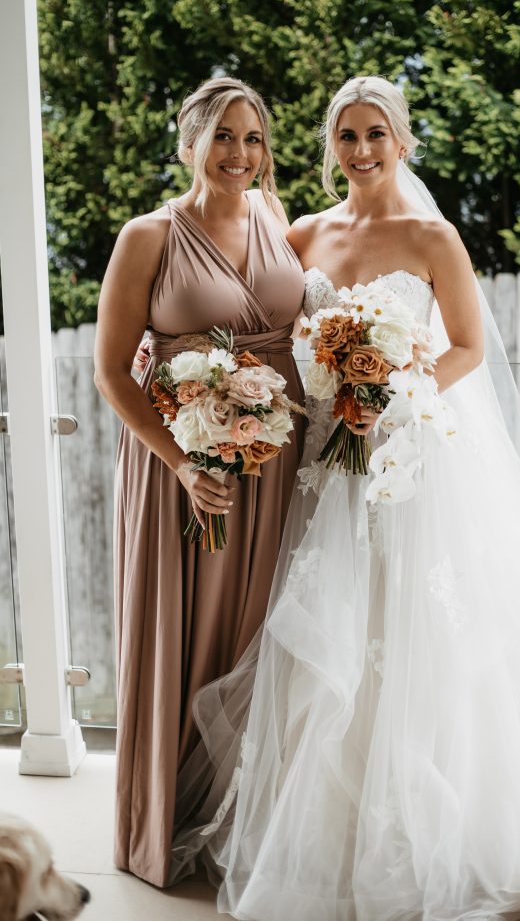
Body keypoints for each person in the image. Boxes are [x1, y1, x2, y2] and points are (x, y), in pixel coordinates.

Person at [169, 77, 520, 919]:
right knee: (338, 633)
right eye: (346, 136)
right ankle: (331, 835)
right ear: (329, 147)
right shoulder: (303, 232)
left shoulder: (433, 236)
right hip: (328, 466)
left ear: (403, 141)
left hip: (413, 458)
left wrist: (392, 387)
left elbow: (468, 349)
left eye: (376, 133)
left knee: (437, 635)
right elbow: (267, 317)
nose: (362, 150)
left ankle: (470, 834)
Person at [94, 76, 306, 887]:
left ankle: (235, 826)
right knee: (182, 635)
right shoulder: (148, 234)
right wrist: (182, 461)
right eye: (223, 136)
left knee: (255, 638)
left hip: (275, 462)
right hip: (181, 465)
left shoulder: (278, 220)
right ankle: (164, 822)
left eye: (253, 138)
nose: (240, 154)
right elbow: (114, 372)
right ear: (188, 144)